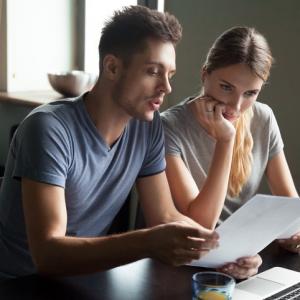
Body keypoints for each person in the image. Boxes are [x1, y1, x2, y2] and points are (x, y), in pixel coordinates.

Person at [0, 6, 219, 280]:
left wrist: (224, 253)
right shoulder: (48, 128)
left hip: (84, 280)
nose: (166, 87)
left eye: (170, 74)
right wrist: (147, 242)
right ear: (112, 67)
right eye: (153, 71)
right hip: (20, 285)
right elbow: (47, 253)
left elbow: (164, 216)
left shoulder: (148, 128)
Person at [161, 26, 299, 279]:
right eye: (226, 87)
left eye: (250, 93)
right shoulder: (168, 127)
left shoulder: (263, 117)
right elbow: (201, 225)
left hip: (239, 258)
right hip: (179, 265)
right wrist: (226, 140)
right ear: (205, 75)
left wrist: (293, 236)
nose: (236, 106)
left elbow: (290, 205)